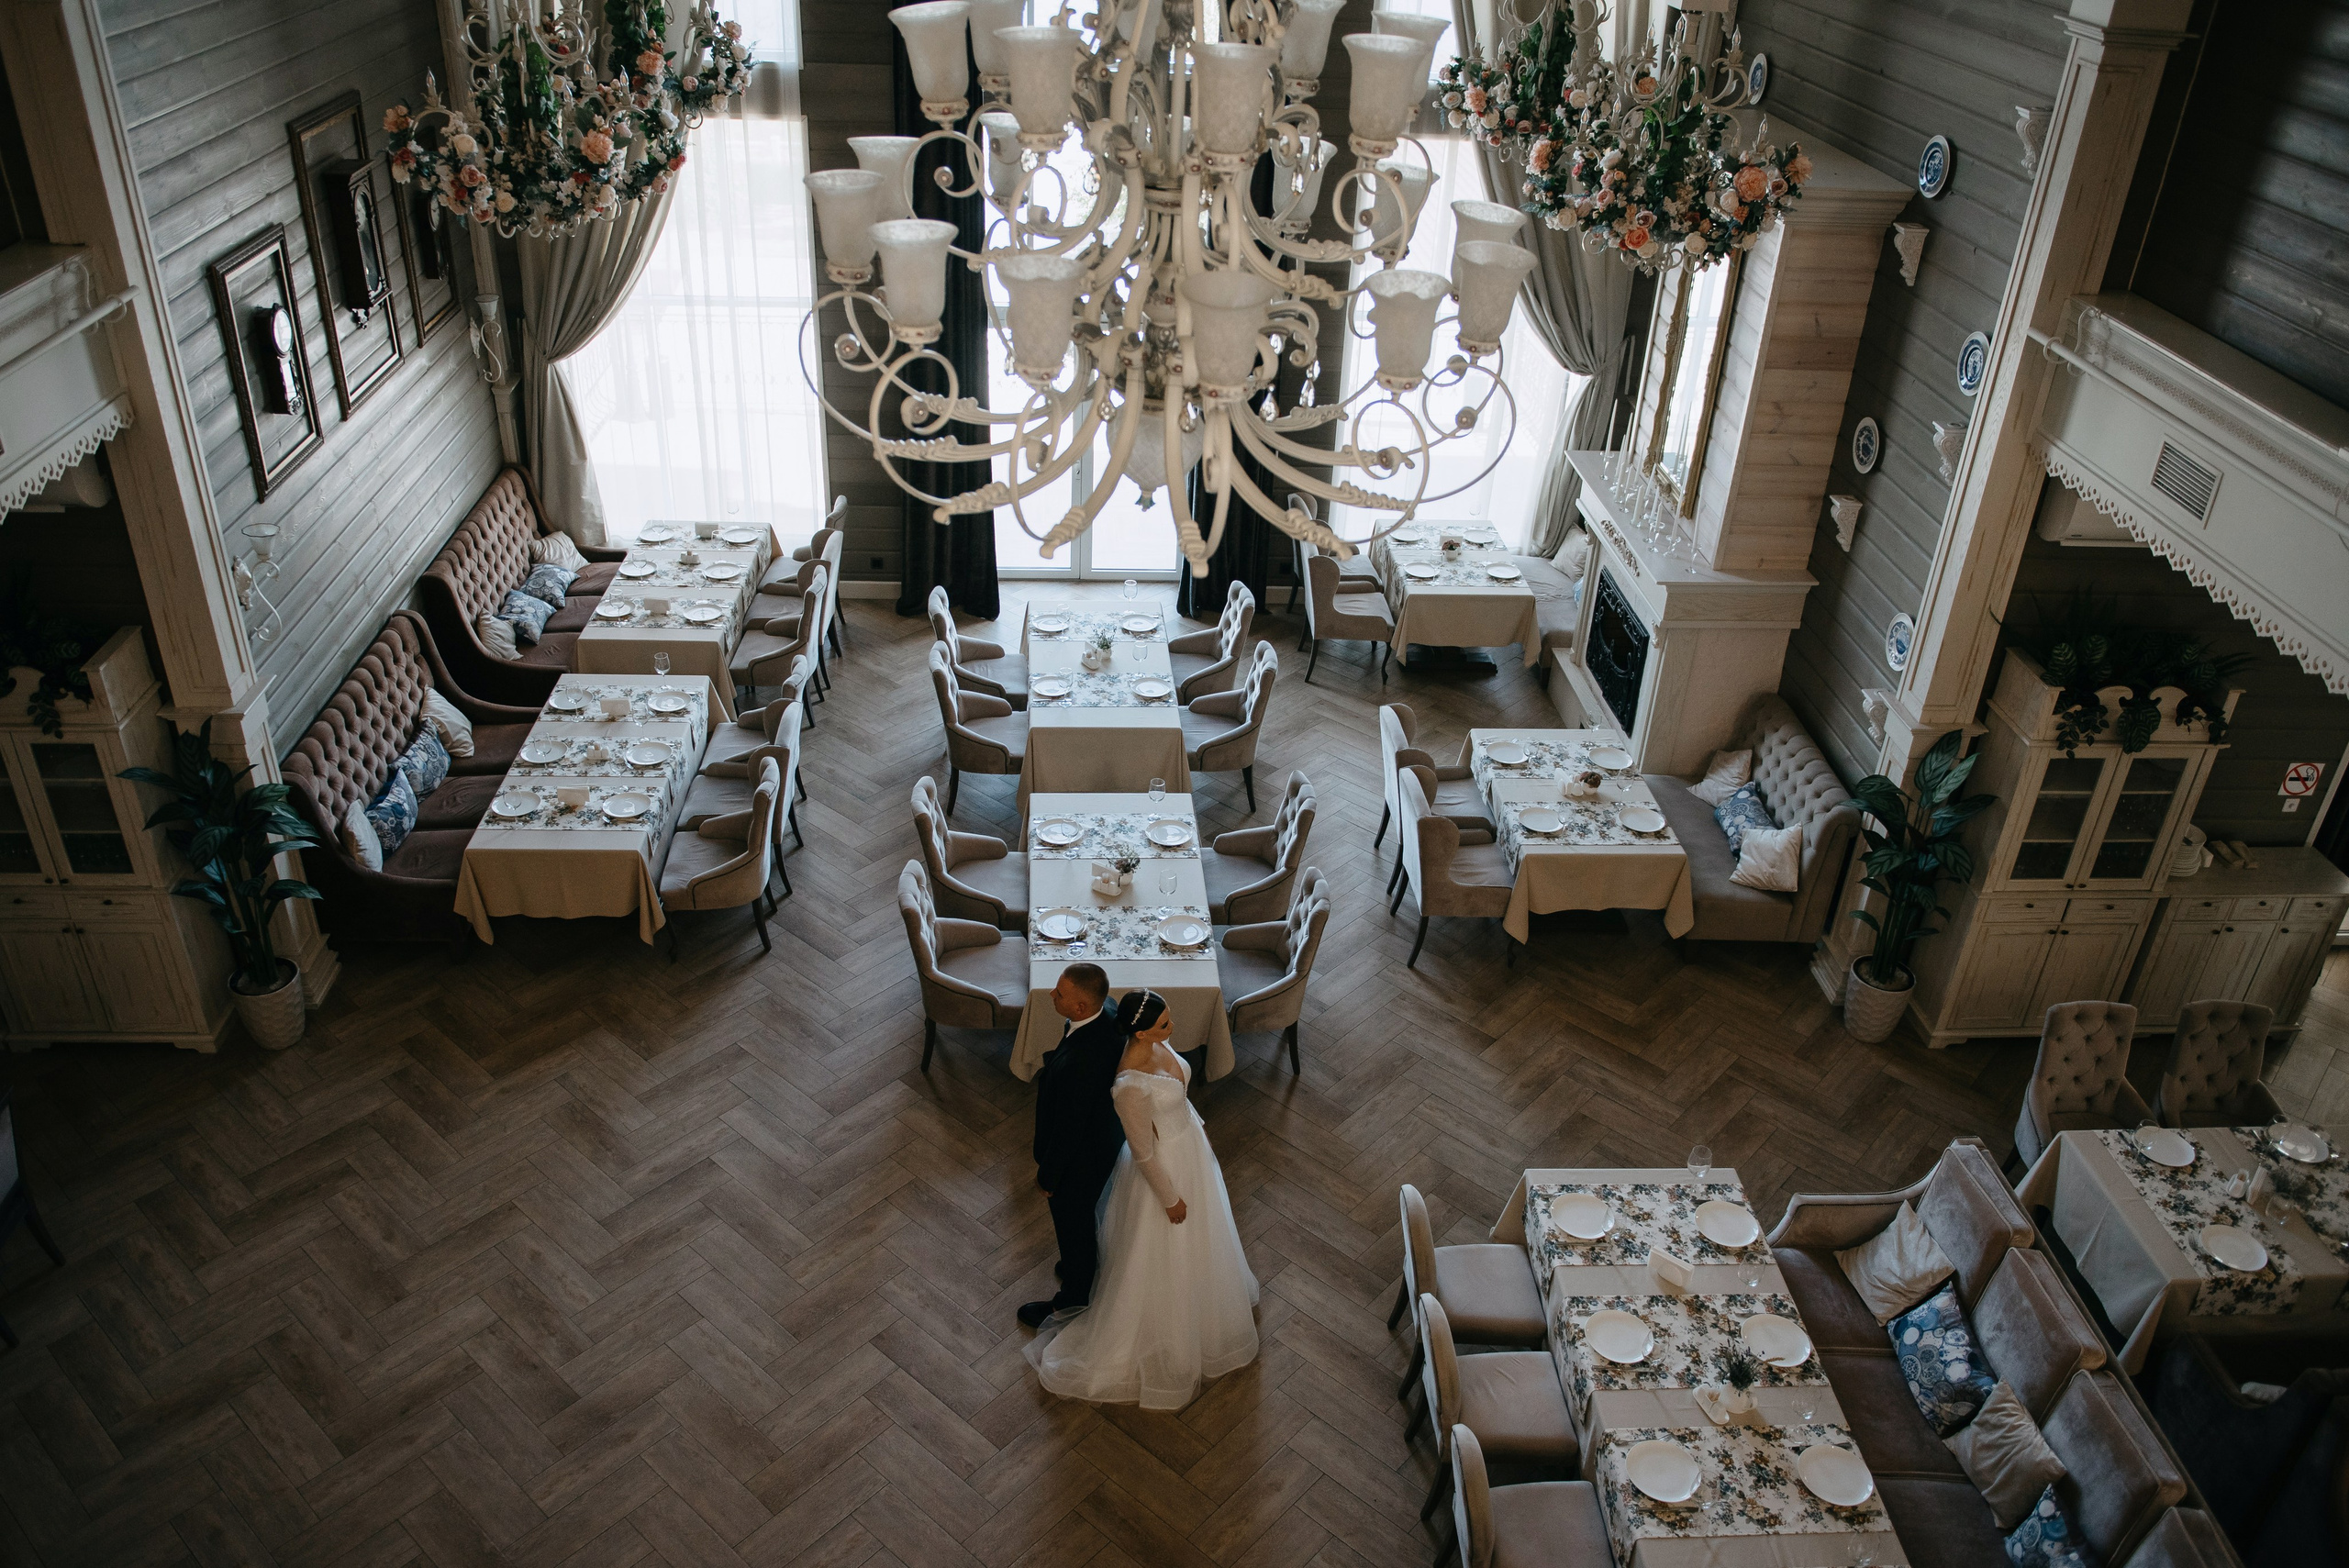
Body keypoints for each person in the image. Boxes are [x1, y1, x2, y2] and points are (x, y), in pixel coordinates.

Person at [1024, 989, 1259, 1409]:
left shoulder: (1157, 1041)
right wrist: (1170, 1199)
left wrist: (1200, 1130)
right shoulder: (1129, 1085)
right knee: (1165, 1246)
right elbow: (1144, 1152)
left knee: (1203, 1235)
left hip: (1190, 1151)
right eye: (1165, 1024)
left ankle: (1205, 1302)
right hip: (1165, 1170)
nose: (1173, 1028)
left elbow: (1180, 1097)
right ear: (1142, 1033)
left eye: (1169, 1019)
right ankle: (1167, 1325)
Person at [1021, 962, 1127, 1329]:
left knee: (1073, 1225)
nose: (1052, 994)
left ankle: (1073, 1298)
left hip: (1081, 1160)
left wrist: (1048, 1176)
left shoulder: (1080, 1065)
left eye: (1060, 993)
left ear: (1081, 1007)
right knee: (1079, 1225)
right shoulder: (1108, 1009)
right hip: (1103, 1136)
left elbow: (1068, 1130)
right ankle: (1075, 1264)